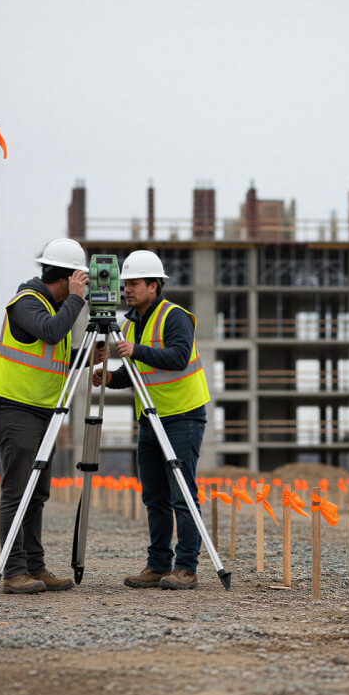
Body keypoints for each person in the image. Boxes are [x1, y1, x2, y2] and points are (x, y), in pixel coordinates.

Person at [0, 238, 105, 594]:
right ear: (68, 277)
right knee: (18, 490)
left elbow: (55, 360)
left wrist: (88, 358)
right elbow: (52, 333)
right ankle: (14, 571)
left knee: (37, 493)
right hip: (16, 406)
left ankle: (35, 567)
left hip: (45, 411)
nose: (84, 285)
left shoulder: (54, 309)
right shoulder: (26, 302)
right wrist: (76, 299)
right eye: (80, 279)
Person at [93, 250, 210, 591]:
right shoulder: (130, 323)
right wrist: (111, 378)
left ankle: (186, 567)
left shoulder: (175, 317)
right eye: (125, 283)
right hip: (149, 417)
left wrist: (136, 350)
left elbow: (178, 357)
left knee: (182, 494)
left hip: (182, 415)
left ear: (154, 286)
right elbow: (136, 371)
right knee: (154, 497)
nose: (127, 289)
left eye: (134, 283)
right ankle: (158, 565)